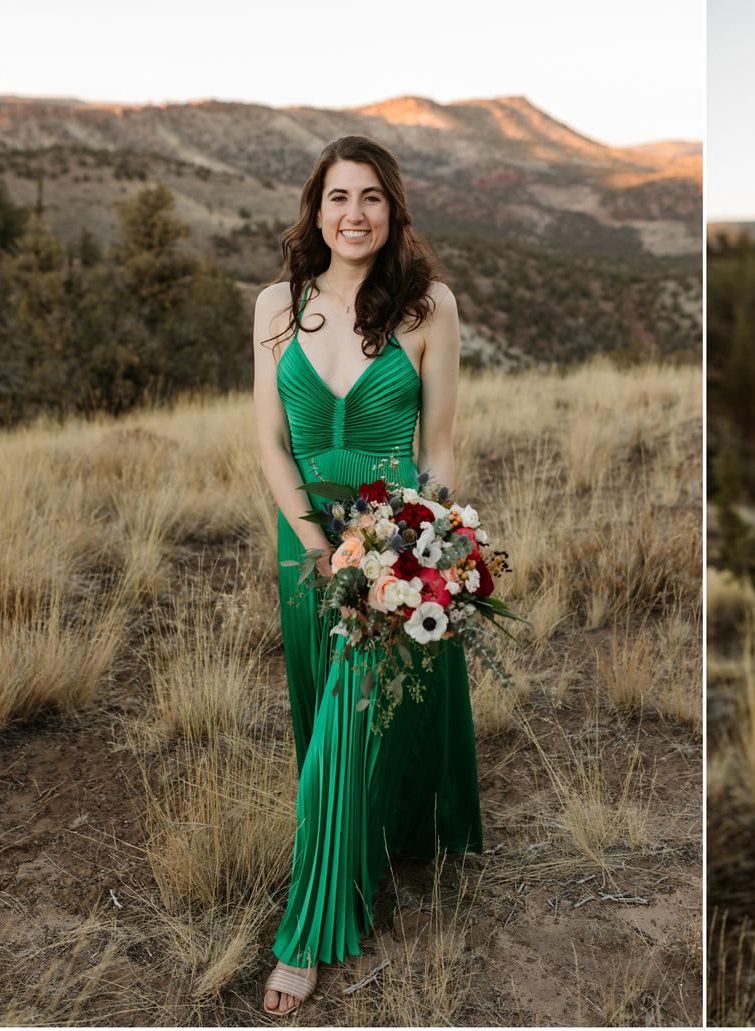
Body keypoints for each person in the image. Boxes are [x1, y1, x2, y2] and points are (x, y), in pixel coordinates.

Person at [251, 135, 483, 1015]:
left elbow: (442, 447)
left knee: (346, 730)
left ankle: (310, 930)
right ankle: (372, 839)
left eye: (373, 197)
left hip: (390, 548)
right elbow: (272, 442)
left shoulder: (429, 309)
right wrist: (312, 542)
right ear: (316, 208)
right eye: (340, 196)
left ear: (394, 211)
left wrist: (422, 543)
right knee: (325, 725)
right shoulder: (277, 305)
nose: (356, 214)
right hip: (304, 545)